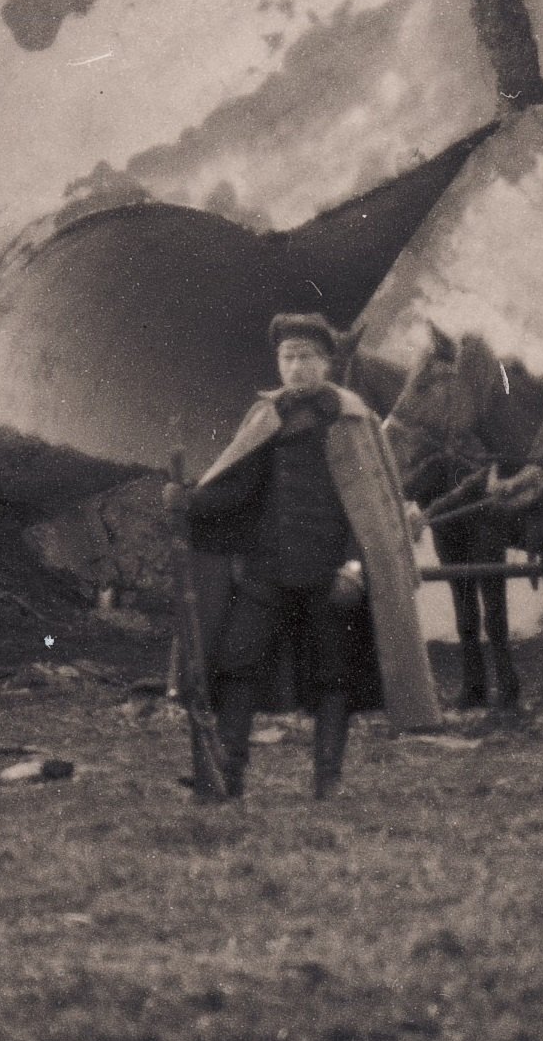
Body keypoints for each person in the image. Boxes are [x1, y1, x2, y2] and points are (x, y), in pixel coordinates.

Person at [168, 313, 431, 800]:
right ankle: (228, 775)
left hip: (330, 575)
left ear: (327, 362)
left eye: (306, 356)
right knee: (236, 663)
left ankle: (326, 779)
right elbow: (236, 489)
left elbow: (371, 509)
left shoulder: (353, 419)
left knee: (332, 677)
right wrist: (189, 500)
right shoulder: (265, 417)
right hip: (266, 570)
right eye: (287, 357)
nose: (295, 366)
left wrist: (354, 568)